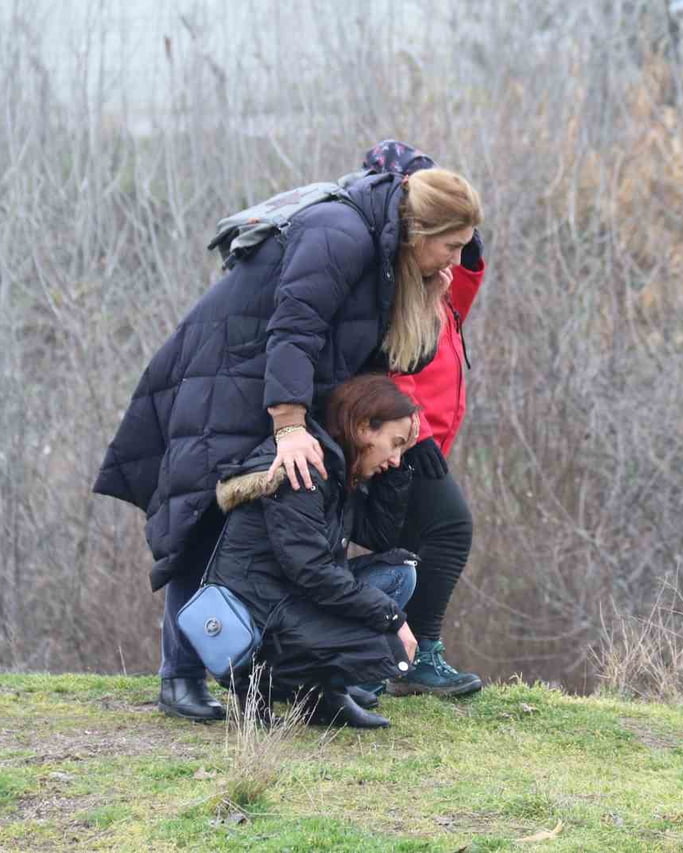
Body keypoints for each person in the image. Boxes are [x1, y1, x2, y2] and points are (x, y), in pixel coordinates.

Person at [93, 166, 483, 721]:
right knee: (206, 523)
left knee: (303, 530)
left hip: (274, 387)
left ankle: (309, 688)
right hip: (226, 382)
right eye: (451, 246)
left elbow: (391, 360)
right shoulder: (341, 234)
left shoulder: (387, 258)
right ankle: (180, 678)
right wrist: (290, 425)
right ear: (420, 229)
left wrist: (426, 298)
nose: (455, 259)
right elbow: (293, 329)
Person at [207, 374, 422, 728]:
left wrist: (398, 472)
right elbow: (312, 572)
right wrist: (391, 618)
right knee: (381, 639)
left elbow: (380, 536)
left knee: (397, 573)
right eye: (395, 444)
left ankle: (324, 695)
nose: (396, 458)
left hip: (290, 597)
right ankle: (262, 683)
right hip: (260, 619)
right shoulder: (303, 471)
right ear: (365, 428)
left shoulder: (337, 467)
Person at [357, 141, 486, 697]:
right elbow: (389, 360)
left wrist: (468, 245)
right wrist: (417, 432)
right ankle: (421, 655)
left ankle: (387, 658)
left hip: (423, 433)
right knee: (449, 528)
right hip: (404, 435)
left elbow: (459, 296)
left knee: (406, 545)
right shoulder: (393, 274)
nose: (458, 259)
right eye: (451, 243)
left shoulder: (434, 277)